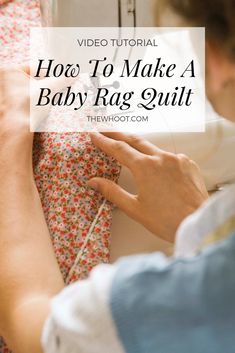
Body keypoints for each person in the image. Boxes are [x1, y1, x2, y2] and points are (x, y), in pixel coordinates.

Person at [0, 0, 235, 352]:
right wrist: (198, 220)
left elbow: (36, 331)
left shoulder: (193, 298)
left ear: (214, 61)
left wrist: (8, 136)